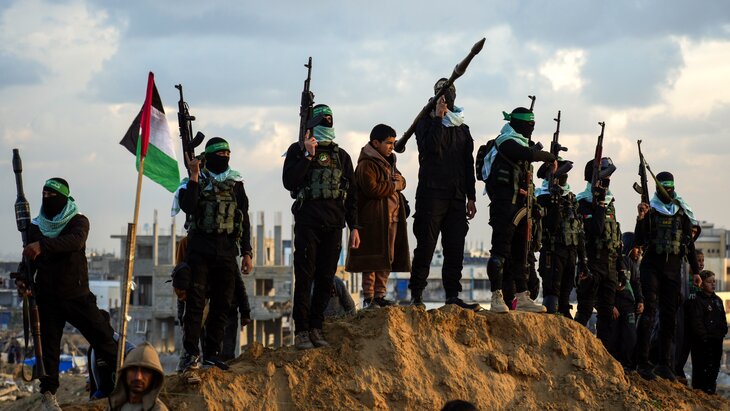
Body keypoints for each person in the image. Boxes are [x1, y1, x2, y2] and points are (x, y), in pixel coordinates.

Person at [14, 178, 118, 411]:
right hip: (47, 298)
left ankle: (125, 381)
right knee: (49, 350)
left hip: (76, 295)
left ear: (64, 197)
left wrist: (42, 246)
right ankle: (48, 396)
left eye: (52, 196)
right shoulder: (36, 226)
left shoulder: (78, 221)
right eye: (44, 195)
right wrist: (23, 279)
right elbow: (28, 260)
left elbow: (75, 242)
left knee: (103, 337)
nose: (47, 199)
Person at [173, 137, 253, 372]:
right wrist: (194, 176)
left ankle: (212, 355)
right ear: (208, 157)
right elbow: (188, 207)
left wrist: (247, 252)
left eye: (227, 153)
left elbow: (243, 219)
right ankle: (191, 354)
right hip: (200, 249)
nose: (224, 157)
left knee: (222, 305)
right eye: (220, 154)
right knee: (196, 305)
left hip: (226, 250)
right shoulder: (194, 180)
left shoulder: (235, 183)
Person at [283, 104, 359, 350]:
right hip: (308, 223)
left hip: (334, 224)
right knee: (305, 278)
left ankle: (316, 326)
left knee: (326, 279)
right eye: (322, 119)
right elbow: (289, 182)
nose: (327, 122)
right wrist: (307, 155)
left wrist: (354, 227)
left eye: (330, 119)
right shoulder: (297, 150)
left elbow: (351, 194)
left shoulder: (341, 156)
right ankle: (302, 330)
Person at [408, 79, 480, 311]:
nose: (445, 97)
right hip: (431, 194)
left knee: (455, 248)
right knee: (426, 246)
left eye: (448, 93)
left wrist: (471, 196)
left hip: (456, 196)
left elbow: (467, 164)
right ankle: (417, 295)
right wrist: (438, 118)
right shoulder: (425, 122)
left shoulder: (462, 128)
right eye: (441, 93)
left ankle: (452, 296)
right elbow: (430, 148)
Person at [483, 107, 556, 313]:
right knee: (500, 252)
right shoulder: (505, 141)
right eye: (529, 125)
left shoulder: (522, 143)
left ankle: (522, 296)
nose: (531, 129)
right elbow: (527, 154)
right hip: (504, 206)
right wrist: (549, 156)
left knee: (521, 254)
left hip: (522, 207)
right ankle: (496, 296)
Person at [634, 171, 700, 381]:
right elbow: (638, 240)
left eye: (670, 188)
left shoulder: (681, 212)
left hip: (673, 270)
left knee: (669, 317)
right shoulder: (650, 210)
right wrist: (640, 218)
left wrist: (696, 272)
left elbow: (689, 245)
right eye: (664, 188)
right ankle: (642, 362)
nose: (668, 192)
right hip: (651, 267)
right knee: (649, 313)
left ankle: (665, 364)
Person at [346, 123, 410, 309]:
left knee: (386, 259)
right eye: (388, 143)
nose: (392, 147)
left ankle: (380, 295)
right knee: (371, 260)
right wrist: (394, 185)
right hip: (374, 220)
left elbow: (401, 180)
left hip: (392, 218)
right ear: (375, 143)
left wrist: (400, 183)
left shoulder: (389, 161)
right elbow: (372, 189)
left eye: (393, 143)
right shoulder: (366, 164)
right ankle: (369, 298)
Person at [574, 158, 624, 349]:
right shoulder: (583, 202)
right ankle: (576, 350)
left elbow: (615, 237)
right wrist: (600, 205)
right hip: (591, 263)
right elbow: (596, 228)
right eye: (604, 177)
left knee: (607, 314)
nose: (608, 181)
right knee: (585, 310)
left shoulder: (610, 202)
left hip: (609, 265)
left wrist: (620, 269)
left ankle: (604, 354)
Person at [535, 158, 589, 316]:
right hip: (553, 251)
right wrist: (555, 200)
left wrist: (583, 260)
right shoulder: (542, 198)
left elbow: (578, 231)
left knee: (566, 295)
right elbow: (551, 225)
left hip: (571, 252)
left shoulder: (571, 199)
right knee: (552, 297)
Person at [687, 270, 727, 394]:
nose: (713, 284)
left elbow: (722, 319)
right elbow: (696, 320)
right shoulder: (697, 300)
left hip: (716, 340)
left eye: (714, 281)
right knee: (701, 367)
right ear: (702, 284)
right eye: (709, 282)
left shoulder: (718, 300)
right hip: (702, 341)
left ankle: (711, 389)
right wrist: (704, 336)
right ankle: (699, 391)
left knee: (714, 366)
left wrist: (722, 332)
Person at [87, 310, 136, 400]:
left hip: (112, 392)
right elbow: (93, 366)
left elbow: (133, 350)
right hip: (98, 389)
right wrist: (89, 380)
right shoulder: (93, 345)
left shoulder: (117, 341)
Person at [108, 342, 168, 411]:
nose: (138, 377)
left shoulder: (158, 409)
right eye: (133, 369)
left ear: (154, 377)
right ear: (125, 373)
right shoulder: (115, 405)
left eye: (145, 371)